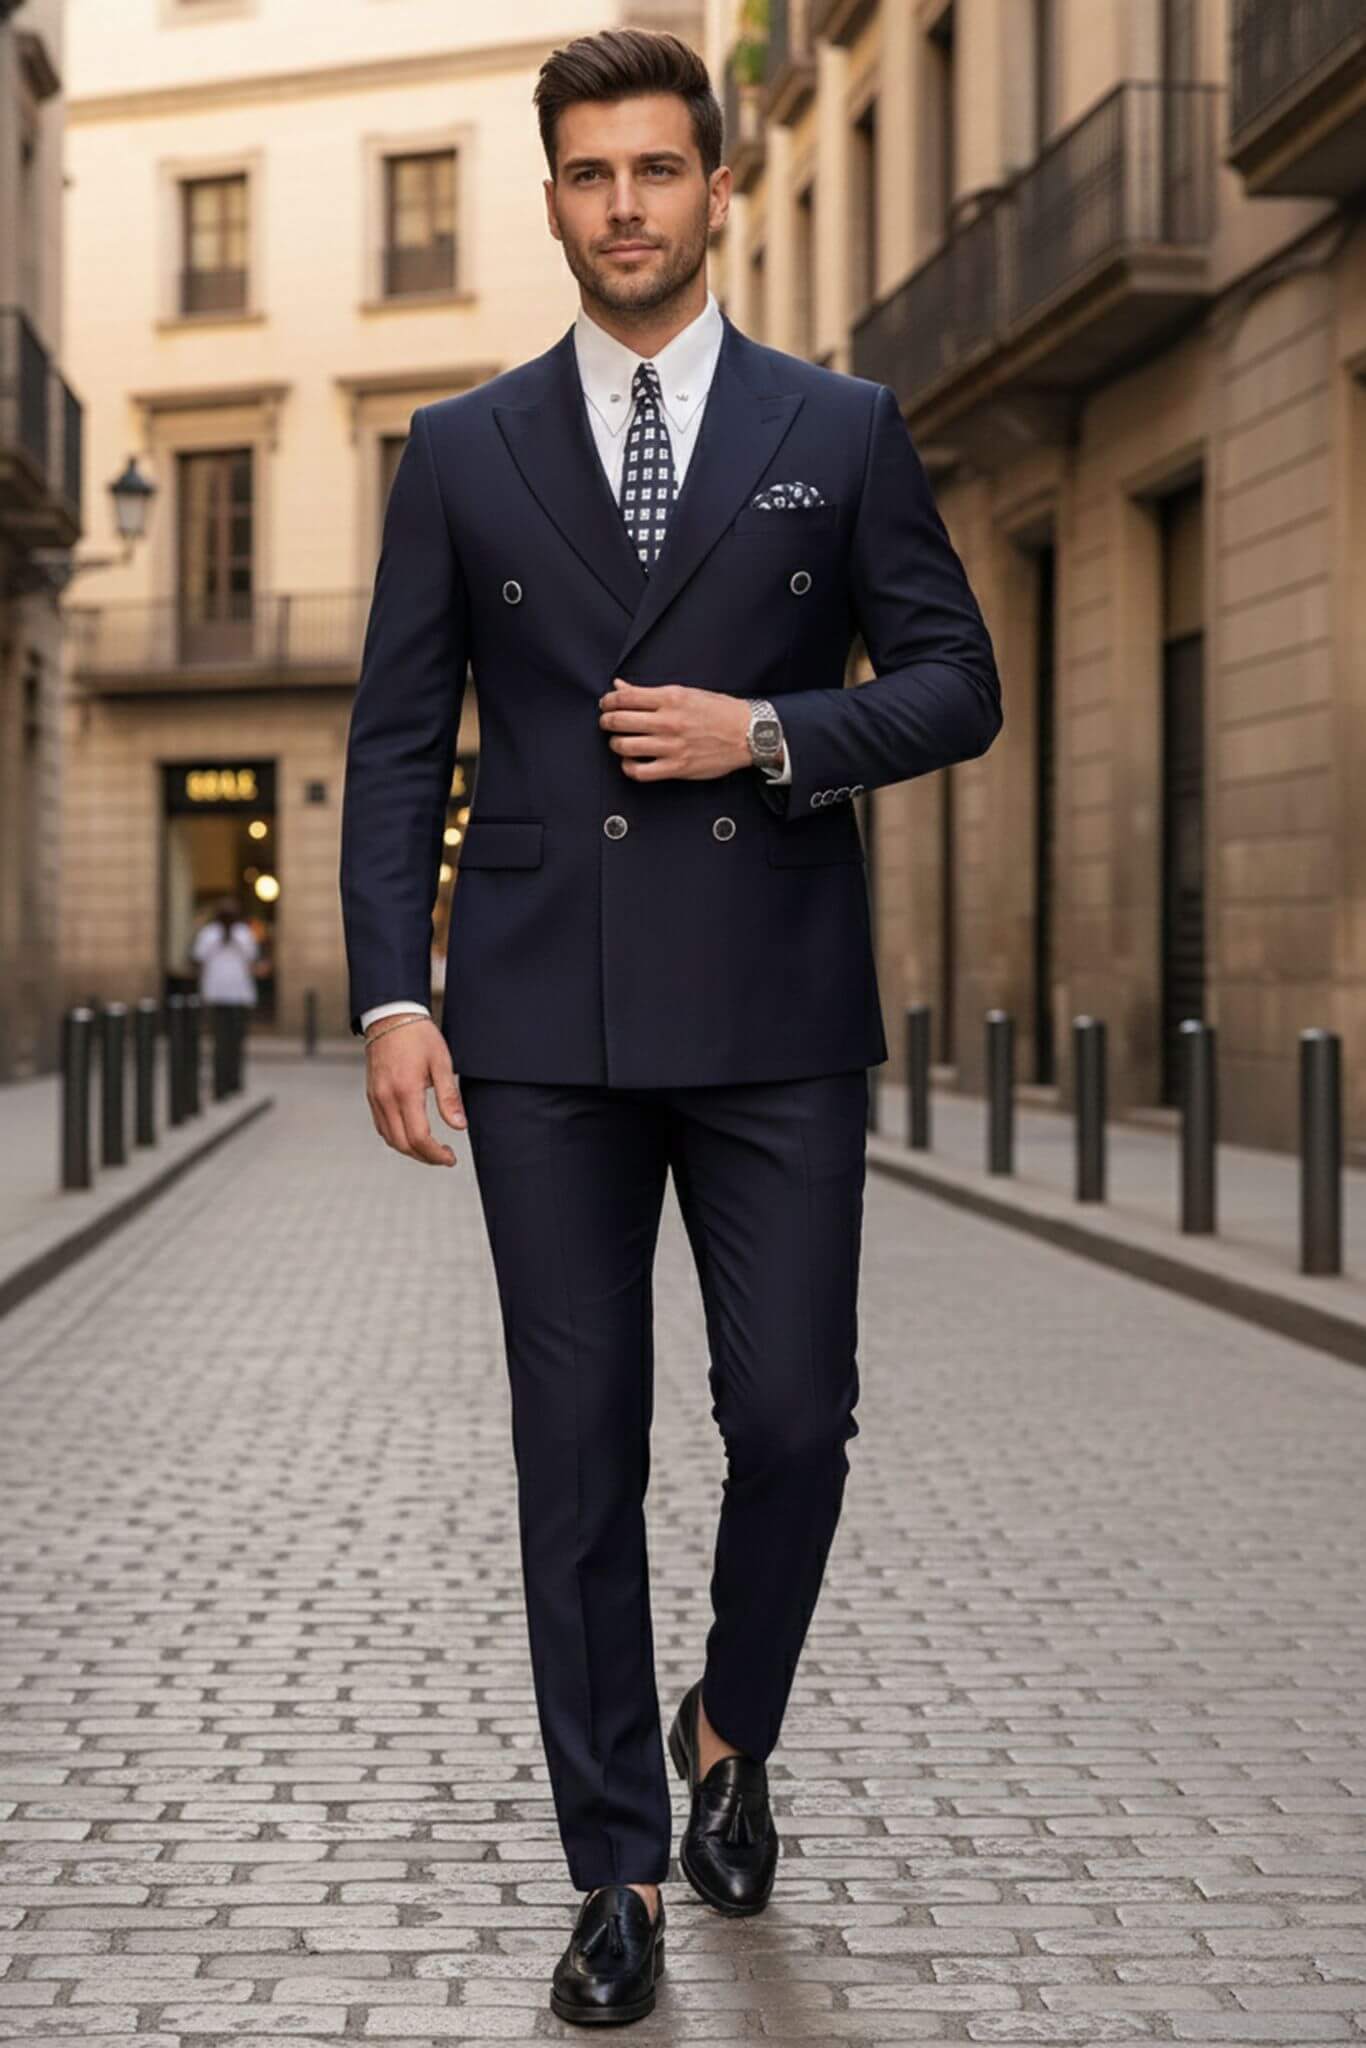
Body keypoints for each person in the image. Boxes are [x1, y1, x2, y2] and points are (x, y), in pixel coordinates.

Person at [339, 25, 1001, 2027]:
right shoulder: (459, 450)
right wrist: (390, 986)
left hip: (775, 1003)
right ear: (550, 198)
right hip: (536, 1017)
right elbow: (392, 743)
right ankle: (612, 1870)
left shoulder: (840, 424)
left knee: (791, 1415)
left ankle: (733, 1713)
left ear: (716, 188)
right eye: (588, 174)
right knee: (574, 1446)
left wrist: (771, 732)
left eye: (657, 169)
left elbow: (957, 680)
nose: (624, 205)